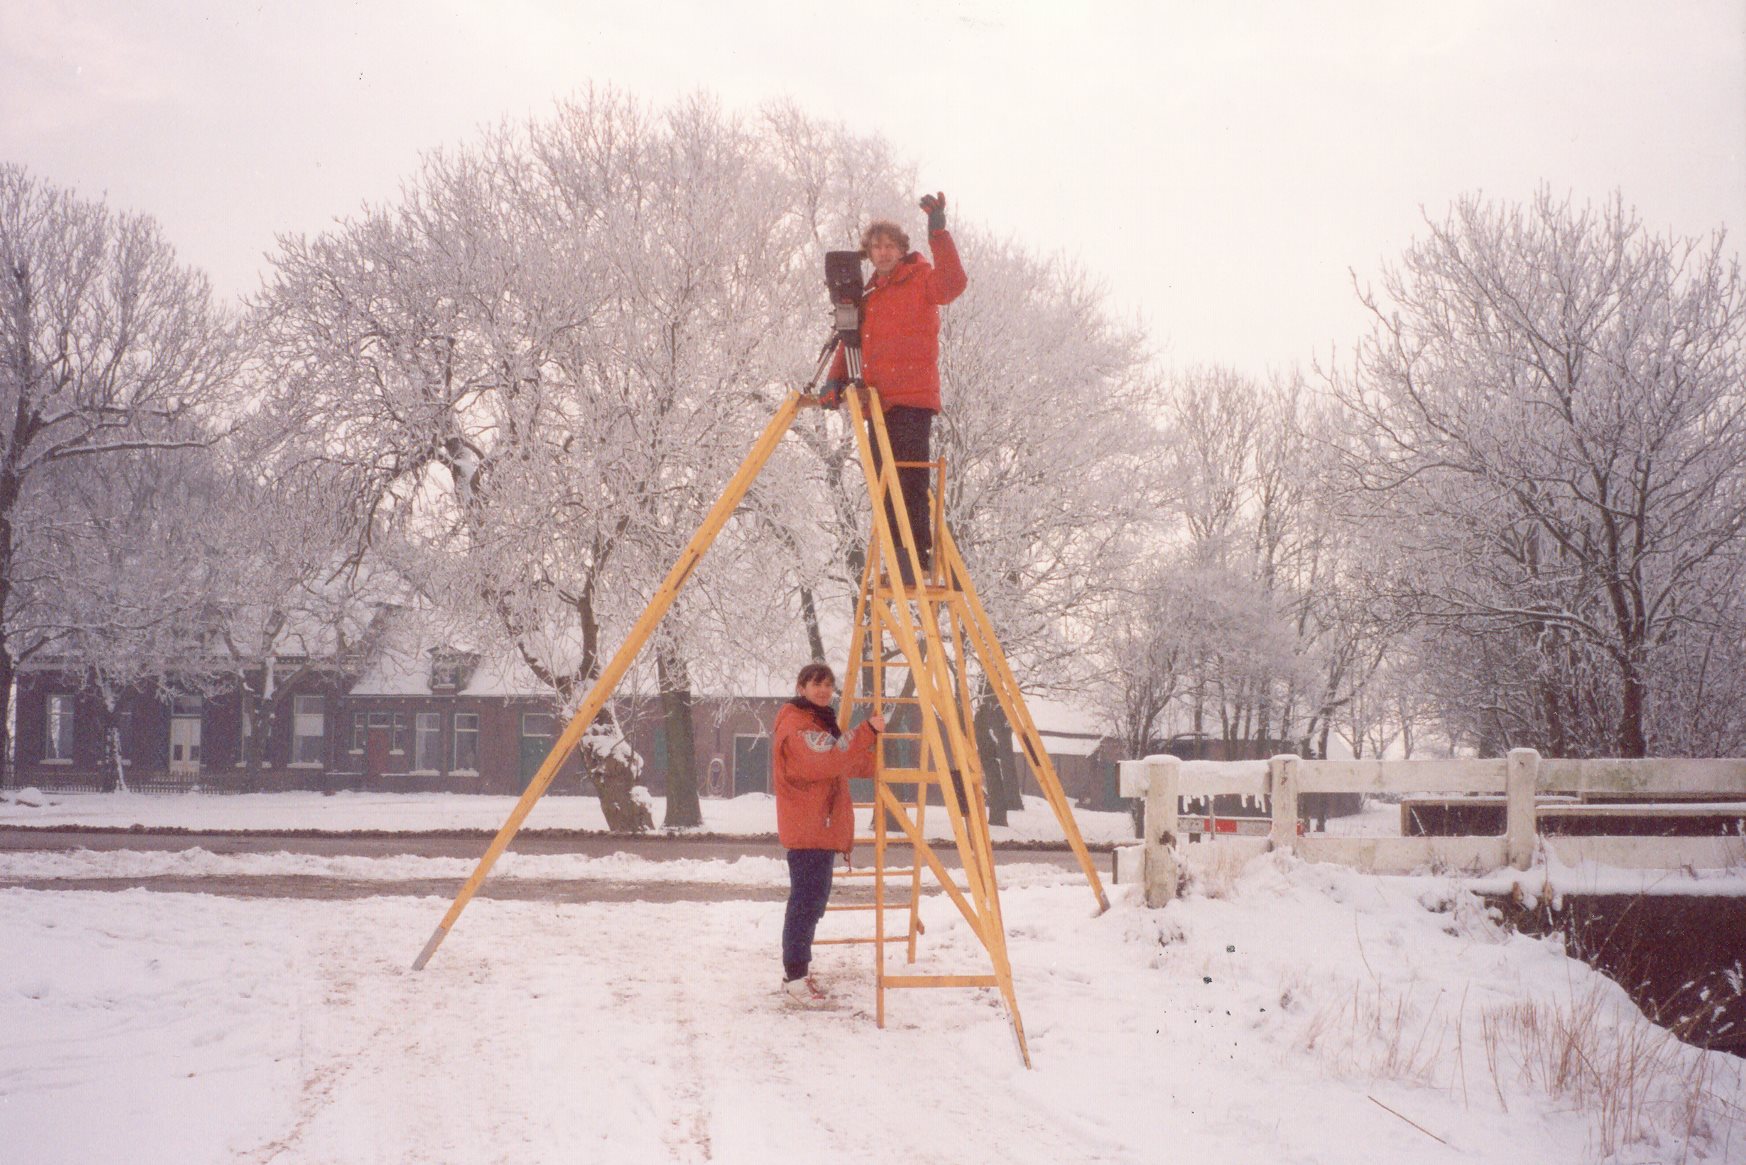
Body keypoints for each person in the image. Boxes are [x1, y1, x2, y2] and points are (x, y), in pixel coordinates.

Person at [826, 192, 968, 581]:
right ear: (868, 253)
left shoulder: (921, 279)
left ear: (903, 250)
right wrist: (835, 379)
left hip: (913, 398)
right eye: (876, 247)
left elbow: (954, 283)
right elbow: (850, 339)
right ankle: (898, 560)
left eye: (890, 246)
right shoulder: (868, 294)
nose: (884, 253)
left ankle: (917, 561)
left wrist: (938, 232)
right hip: (878, 401)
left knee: (908, 478)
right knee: (883, 483)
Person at [774, 662, 885, 1004]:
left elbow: (841, 760)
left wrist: (877, 762)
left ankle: (797, 973)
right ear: (801, 686)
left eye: (828, 685)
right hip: (808, 828)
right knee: (805, 904)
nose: (823, 690)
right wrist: (866, 731)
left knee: (811, 902)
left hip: (817, 829)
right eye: (815, 684)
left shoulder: (819, 722)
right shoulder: (796, 724)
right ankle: (794, 978)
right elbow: (824, 761)